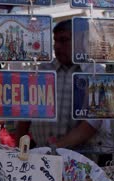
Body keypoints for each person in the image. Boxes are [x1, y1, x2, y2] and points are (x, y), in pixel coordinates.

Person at [9, 19, 100, 149]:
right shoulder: (42, 71)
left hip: (80, 158)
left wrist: (54, 149)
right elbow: (25, 116)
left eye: (63, 40)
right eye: (55, 41)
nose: (57, 46)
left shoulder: (93, 74)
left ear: (81, 41)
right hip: (41, 154)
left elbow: (92, 124)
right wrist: (20, 150)